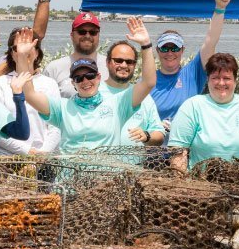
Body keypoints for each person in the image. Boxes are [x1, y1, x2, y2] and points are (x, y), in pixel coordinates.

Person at [20, 19, 155, 152]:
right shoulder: (62, 108)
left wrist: (146, 45)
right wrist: (21, 56)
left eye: (90, 76)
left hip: (107, 174)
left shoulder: (117, 103)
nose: (85, 81)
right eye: (79, 78)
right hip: (70, 173)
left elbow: (148, 83)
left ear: (99, 78)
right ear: (73, 83)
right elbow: (29, 95)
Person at [168, 52, 239, 171]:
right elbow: (178, 151)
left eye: (226, 78)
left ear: (235, 80)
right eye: (215, 78)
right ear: (208, 80)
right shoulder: (192, 106)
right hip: (201, 183)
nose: (221, 83)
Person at [151, 0, 232, 125]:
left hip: (187, 145)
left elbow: (210, 41)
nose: (170, 53)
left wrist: (220, 8)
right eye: (165, 48)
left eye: (175, 48)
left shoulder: (193, 73)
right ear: (157, 51)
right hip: (156, 144)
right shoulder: (148, 81)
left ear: (182, 50)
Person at [0, 27, 60, 155]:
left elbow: (56, 125)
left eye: (30, 46)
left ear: (37, 52)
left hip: (43, 161)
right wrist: (27, 151)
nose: (24, 50)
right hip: (8, 160)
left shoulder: (50, 84)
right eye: (17, 47)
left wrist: (43, 153)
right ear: (11, 53)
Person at [102, 40, 166, 147]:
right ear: (108, 62)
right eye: (118, 60)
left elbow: (159, 134)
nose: (124, 65)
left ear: (135, 65)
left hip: (134, 164)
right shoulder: (93, 93)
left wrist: (147, 136)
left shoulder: (144, 97)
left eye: (129, 62)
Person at [42, 11, 108, 97]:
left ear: (98, 35)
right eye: (82, 32)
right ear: (72, 35)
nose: (87, 36)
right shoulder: (54, 68)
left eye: (93, 32)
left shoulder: (111, 65)